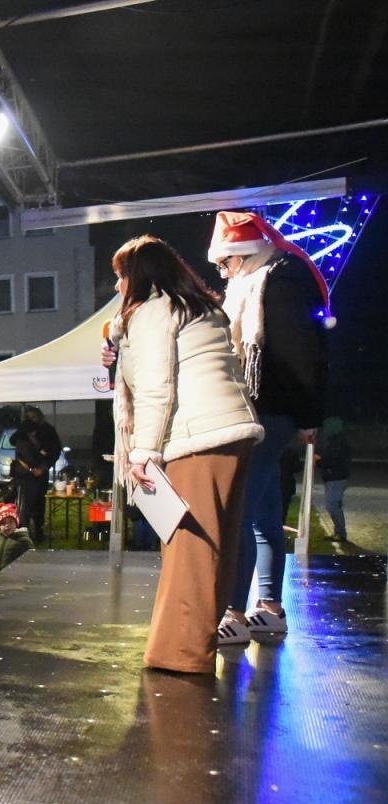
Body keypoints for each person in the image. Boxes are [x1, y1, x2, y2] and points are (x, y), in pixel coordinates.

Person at [113, 233, 262, 672]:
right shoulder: (202, 307)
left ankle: (180, 655)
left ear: (139, 276)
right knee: (218, 545)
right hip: (233, 432)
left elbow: (158, 386)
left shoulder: (154, 309)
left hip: (198, 437)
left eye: (120, 278)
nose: (118, 288)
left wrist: (143, 454)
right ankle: (195, 645)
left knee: (189, 549)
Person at [206, 211, 330, 641]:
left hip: (270, 411)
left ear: (242, 253)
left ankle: (233, 613)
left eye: (225, 264)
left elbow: (302, 352)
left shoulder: (277, 281)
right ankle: (270, 608)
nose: (223, 273)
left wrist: (309, 416)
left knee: (239, 509)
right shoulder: (257, 282)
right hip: (263, 409)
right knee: (263, 513)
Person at [9, 407, 62, 544]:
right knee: (24, 506)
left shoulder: (48, 431)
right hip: (24, 475)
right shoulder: (22, 431)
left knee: (39, 503)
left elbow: (55, 450)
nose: (31, 419)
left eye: (33, 416)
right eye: (29, 416)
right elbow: (13, 440)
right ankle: (24, 534)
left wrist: (43, 468)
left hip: (40, 475)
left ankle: (38, 531)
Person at [318, 417, 351, 542]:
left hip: (336, 478)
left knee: (332, 505)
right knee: (334, 505)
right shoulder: (336, 441)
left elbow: (332, 460)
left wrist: (319, 460)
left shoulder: (338, 443)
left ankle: (341, 533)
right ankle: (339, 532)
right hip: (335, 477)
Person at [0, 502, 35, 570]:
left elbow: (32, 561)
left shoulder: (24, 541)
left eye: (11, 521)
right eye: (3, 523)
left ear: (16, 523)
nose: (7, 525)